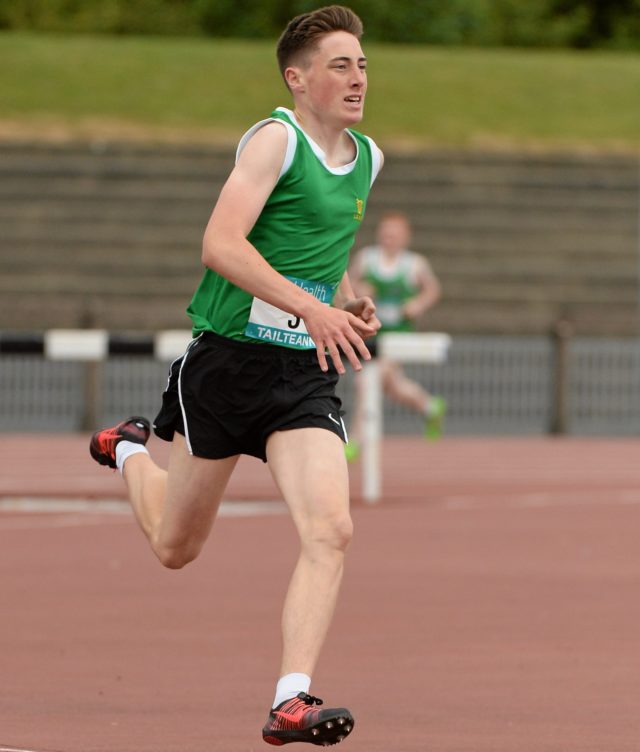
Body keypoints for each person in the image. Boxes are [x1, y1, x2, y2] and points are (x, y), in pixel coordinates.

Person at [89, 5, 382, 747]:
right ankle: (127, 447)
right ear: (298, 77)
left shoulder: (369, 158)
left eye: (363, 64)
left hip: (303, 377)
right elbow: (221, 243)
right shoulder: (274, 140)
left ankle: (291, 700)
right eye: (340, 64)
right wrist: (308, 309)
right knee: (175, 549)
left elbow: (320, 250)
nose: (357, 78)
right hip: (226, 366)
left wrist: (344, 302)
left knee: (333, 530)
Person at [344, 211, 446, 461]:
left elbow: (433, 290)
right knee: (393, 387)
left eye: (394, 234)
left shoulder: (414, 264)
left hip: (398, 338)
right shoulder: (367, 258)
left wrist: (417, 304)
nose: (388, 238)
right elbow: (346, 282)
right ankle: (431, 406)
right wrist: (360, 290)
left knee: (368, 381)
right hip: (373, 333)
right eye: (385, 233)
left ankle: (355, 441)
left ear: (405, 237)